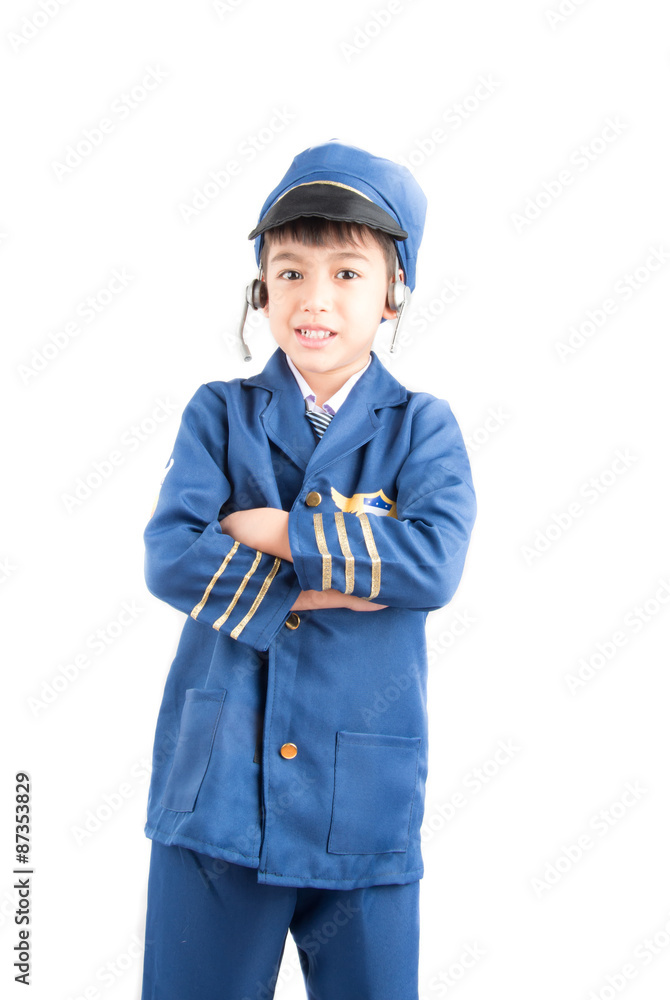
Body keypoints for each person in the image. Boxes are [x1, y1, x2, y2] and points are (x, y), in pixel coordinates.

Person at [139, 138, 477, 1000]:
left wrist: (281, 531)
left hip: (361, 802)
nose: (314, 300)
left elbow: (433, 563)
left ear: (395, 291)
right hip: (215, 796)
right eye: (289, 272)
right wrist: (349, 580)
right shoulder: (219, 414)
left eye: (347, 275)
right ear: (260, 287)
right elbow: (172, 552)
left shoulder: (423, 429)